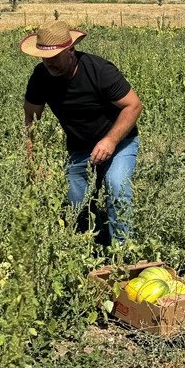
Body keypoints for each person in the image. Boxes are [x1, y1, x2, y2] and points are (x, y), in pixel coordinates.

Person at [22, 22, 144, 246]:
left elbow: (134, 106)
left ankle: (122, 254)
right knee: (76, 203)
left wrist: (110, 140)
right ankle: (94, 248)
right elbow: (31, 121)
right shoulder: (41, 76)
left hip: (120, 142)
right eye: (44, 57)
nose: (49, 62)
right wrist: (34, 162)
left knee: (116, 185)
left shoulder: (99, 70)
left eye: (55, 56)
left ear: (70, 50)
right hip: (79, 148)